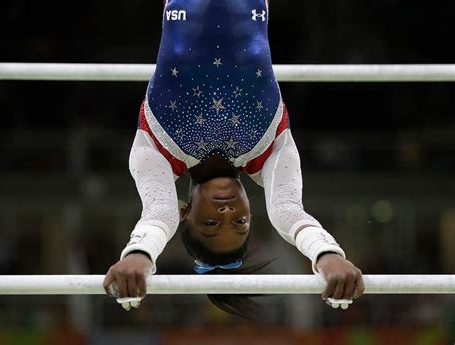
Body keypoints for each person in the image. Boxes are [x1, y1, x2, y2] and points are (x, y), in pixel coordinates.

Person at [103, 0, 364, 317]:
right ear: (251, 212)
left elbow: (158, 213)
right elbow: (289, 211)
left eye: (211, 223)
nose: (227, 211)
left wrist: (140, 254)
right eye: (240, 222)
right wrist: (326, 255)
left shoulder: (156, 149)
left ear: (184, 212)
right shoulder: (270, 150)